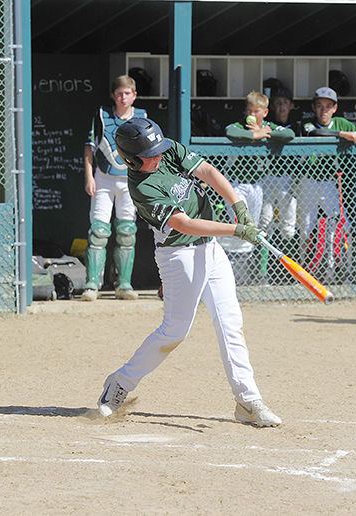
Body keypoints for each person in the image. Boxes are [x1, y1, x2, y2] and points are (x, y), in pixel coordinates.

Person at [94, 117, 281, 427]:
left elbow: (206, 171)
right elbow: (183, 223)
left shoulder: (164, 150)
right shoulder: (141, 187)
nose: (158, 156)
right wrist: (236, 229)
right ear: (130, 159)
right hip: (178, 255)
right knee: (174, 331)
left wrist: (238, 204)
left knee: (230, 322)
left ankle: (247, 400)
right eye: (149, 155)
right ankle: (121, 383)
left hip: (211, 250)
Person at [81, 75, 146, 302]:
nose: (123, 97)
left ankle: (124, 284)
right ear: (113, 95)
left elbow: (150, 152)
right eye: (119, 93)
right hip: (104, 179)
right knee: (98, 231)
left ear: (134, 95)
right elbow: (89, 148)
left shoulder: (142, 117)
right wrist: (89, 177)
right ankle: (92, 284)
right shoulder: (102, 116)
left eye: (127, 93)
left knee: (127, 231)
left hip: (129, 180)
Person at [296, 87, 356, 280]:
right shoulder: (307, 123)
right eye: (320, 106)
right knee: (305, 229)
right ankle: (303, 271)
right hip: (308, 182)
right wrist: (343, 135)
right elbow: (316, 134)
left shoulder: (341, 122)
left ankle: (338, 269)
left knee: (341, 226)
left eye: (328, 106)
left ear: (335, 108)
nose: (323, 110)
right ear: (314, 107)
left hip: (329, 182)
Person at [223, 91, 295, 283]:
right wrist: (255, 134)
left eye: (257, 111)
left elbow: (289, 134)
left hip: (257, 184)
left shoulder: (269, 126)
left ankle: (246, 274)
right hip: (236, 182)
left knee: (253, 227)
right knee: (239, 223)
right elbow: (230, 131)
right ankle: (230, 272)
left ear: (265, 112)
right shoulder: (240, 126)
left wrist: (266, 132)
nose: (252, 115)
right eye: (249, 110)